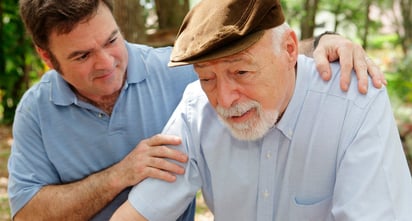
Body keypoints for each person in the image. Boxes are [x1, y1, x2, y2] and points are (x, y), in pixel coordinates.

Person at [8, 0, 386, 220]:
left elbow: (255, 55)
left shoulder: (175, 74)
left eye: (112, 40)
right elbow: (26, 213)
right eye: (83, 55)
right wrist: (119, 175)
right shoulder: (35, 113)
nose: (107, 62)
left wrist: (327, 41)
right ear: (47, 57)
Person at [111, 0, 412, 220]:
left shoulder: (355, 102)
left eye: (241, 72)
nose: (225, 100)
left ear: (290, 50)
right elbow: (141, 213)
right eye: (207, 78)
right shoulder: (196, 108)